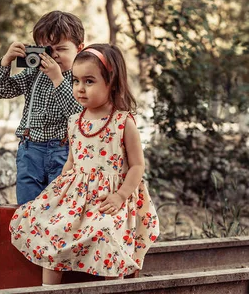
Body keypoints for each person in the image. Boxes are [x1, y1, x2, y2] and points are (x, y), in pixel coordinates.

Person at [9, 43, 160, 285]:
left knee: (105, 231)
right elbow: (71, 161)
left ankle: (112, 285)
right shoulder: (74, 121)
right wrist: (56, 194)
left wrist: (120, 196)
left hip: (109, 199)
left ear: (111, 82)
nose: (80, 88)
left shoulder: (123, 122)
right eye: (76, 81)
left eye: (89, 81)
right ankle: (49, 288)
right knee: (52, 228)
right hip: (75, 196)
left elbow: (137, 166)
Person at [0, 11, 85, 205]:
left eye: (61, 49)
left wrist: (57, 78)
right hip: (30, 150)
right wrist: (6, 61)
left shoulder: (81, 78)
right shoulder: (34, 73)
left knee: (60, 209)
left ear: (79, 49)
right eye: (47, 50)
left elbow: (78, 114)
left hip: (64, 152)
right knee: (27, 207)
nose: (54, 56)